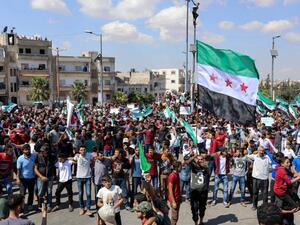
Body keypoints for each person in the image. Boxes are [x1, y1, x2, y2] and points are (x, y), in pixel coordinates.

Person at [34, 145, 56, 212]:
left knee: (49, 191)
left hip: (50, 176)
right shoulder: (38, 156)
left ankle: (49, 206)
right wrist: (41, 176)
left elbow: (55, 165)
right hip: (40, 177)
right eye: (42, 151)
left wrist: (54, 175)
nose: (43, 152)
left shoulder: (52, 156)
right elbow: (35, 169)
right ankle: (40, 206)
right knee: (40, 192)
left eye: (45, 151)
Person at [189, 154, 210, 225]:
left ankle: (201, 221)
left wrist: (203, 164)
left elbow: (207, 169)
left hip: (203, 191)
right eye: (199, 159)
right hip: (194, 191)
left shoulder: (206, 168)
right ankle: (196, 223)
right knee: (194, 209)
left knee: (202, 208)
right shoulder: (193, 167)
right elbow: (189, 161)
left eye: (201, 159)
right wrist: (194, 157)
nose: (200, 160)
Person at [16, 144, 37, 212]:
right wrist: (18, 178)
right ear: (23, 151)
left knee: (31, 193)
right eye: (26, 150)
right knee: (22, 194)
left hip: (32, 178)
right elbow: (18, 170)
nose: (28, 151)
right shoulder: (20, 158)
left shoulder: (34, 156)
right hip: (23, 179)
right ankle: (21, 208)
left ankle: (30, 204)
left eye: (29, 149)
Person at [73, 146, 93, 216]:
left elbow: (96, 156)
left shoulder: (89, 155)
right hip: (79, 177)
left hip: (87, 177)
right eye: (81, 150)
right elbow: (72, 160)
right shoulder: (77, 156)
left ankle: (88, 209)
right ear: (79, 151)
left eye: (84, 150)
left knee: (88, 194)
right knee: (80, 194)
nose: (83, 151)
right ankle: (81, 208)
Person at [167, 161, 181, 225]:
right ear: (177, 167)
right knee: (174, 217)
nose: (182, 168)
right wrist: (173, 201)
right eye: (181, 167)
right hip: (174, 199)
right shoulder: (172, 176)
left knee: (176, 217)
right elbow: (170, 189)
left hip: (178, 198)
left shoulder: (177, 174)